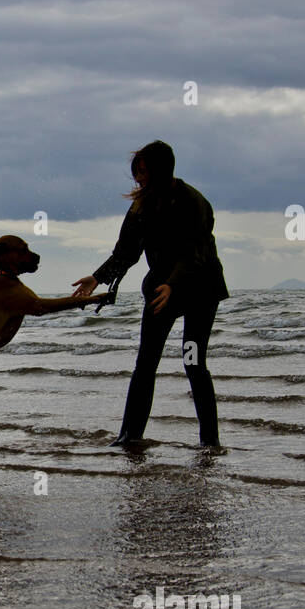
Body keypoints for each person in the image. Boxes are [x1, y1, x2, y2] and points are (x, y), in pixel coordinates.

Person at [72, 141, 229, 447]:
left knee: (193, 362)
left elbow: (194, 252)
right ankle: (129, 436)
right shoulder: (141, 205)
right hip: (161, 289)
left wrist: (175, 284)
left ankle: (210, 443)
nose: (138, 179)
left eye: (143, 172)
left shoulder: (192, 202)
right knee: (146, 362)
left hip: (199, 288)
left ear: (161, 169)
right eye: (136, 173)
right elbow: (126, 251)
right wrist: (98, 277)